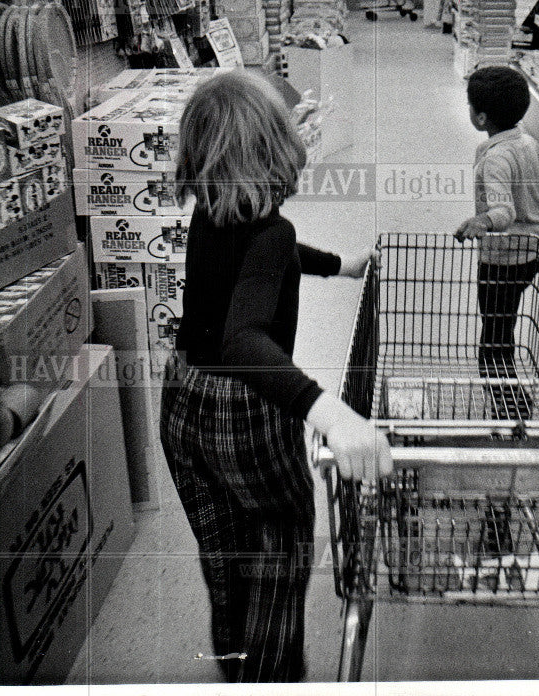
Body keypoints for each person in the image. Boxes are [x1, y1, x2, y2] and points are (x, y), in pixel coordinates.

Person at [160, 70, 393, 683]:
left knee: (224, 550)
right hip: (246, 411)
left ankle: (234, 661)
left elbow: (275, 259)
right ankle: (269, 677)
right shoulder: (272, 231)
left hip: (183, 404)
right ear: (278, 153)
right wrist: (332, 413)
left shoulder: (213, 213)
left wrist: (342, 266)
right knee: (280, 542)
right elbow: (244, 338)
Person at [454, 66, 539, 420]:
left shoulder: (495, 158)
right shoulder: (527, 141)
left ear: (481, 117)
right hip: (532, 253)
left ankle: (510, 405)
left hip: (503, 259)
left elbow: (504, 211)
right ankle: (509, 397)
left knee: (493, 341)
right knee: (504, 324)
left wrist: (482, 220)